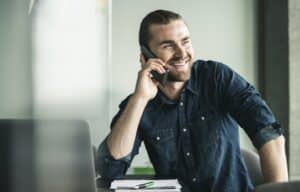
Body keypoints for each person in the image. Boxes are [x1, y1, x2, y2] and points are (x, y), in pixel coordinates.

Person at [96, 9, 288, 192]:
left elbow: (268, 134)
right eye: (168, 46)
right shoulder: (139, 103)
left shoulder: (217, 78)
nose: (181, 53)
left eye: (185, 42)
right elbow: (109, 170)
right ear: (146, 56)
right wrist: (140, 99)